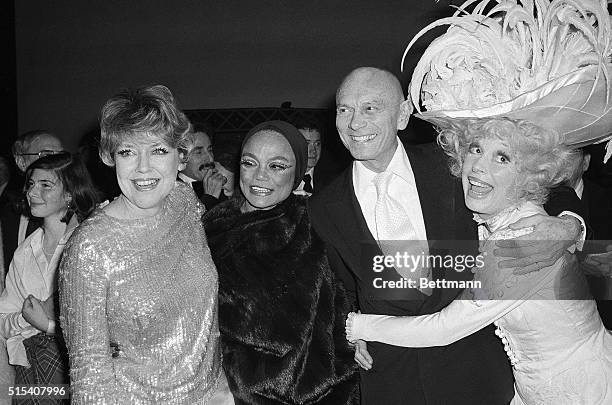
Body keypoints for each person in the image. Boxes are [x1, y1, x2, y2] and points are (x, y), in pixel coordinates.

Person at [346, 118, 612, 404]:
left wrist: (357, 325)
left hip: (582, 390)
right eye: (475, 149)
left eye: (502, 157)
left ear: (528, 173)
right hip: (530, 389)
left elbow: (445, 327)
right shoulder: (492, 217)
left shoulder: (521, 238)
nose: (480, 166)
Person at [59, 85, 233, 403]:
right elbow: (90, 381)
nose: (142, 167)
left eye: (158, 150)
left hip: (215, 394)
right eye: (127, 152)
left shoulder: (186, 202)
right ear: (111, 158)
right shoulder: (90, 247)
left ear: (181, 156)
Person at [203, 120, 358, 404]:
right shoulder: (208, 227)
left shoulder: (314, 229)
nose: (259, 177)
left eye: (276, 166)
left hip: (298, 393)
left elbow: (338, 315)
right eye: (250, 163)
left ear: (297, 173)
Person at [0, 152, 99, 403]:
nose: (33, 192)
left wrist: (47, 325)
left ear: (69, 193)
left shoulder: (91, 243)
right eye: (31, 184)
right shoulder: (25, 251)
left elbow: (108, 325)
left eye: (46, 185)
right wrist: (28, 319)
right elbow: (3, 320)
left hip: (83, 371)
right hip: (31, 371)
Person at [1, 131, 65, 277]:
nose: (56, 162)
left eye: (61, 155)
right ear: (21, 162)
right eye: (46, 155)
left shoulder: (75, 211)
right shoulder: (9, 209)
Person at [178, 121, 228, 210]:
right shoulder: (168, 192)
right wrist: (210, 198)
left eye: (210, 150)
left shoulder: (220, 188)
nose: (210, 158)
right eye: (199, 152)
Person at [291, 117, 323, 196]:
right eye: (306, 144)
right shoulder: (280, 176)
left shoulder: (332, 179)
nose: (313, 150)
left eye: (317, 144)